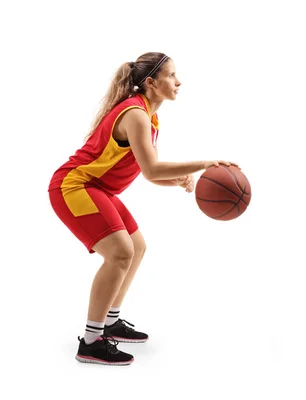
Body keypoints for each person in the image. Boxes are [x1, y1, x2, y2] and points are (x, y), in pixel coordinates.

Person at [48, 52, 237, 366]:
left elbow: (144, 170)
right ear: (151, 82)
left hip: (97, 189)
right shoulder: (135, 114)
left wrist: (175, 181)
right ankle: (92, 341)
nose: (179, 82)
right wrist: (204, 163)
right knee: (120, 253)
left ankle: (110, 321)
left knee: (136, 247)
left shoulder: (148, 115)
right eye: (172, 75)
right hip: (73, 186)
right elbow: (151, 168)